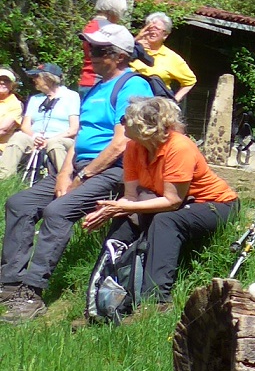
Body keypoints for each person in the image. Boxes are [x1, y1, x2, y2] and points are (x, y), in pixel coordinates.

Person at [0, 24, 153, 321]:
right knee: (19, 203)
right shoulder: (96, 88)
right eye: (90, 48)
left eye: (99, 50)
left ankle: (33, 293)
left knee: (57, 212)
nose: (91, 55)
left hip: (115, 172)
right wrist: (64, 175)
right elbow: (80, 137)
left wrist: (82, 178)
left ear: (120, 56)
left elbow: (121, 143)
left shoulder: (133, 86)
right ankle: (10, 284)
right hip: (81, 169)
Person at [80, 97, 239, 307]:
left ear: (143, 127)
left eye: (124, 119)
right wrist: (110, 210)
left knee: (166, 221)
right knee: (124, 219)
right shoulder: (133, 147)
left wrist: (124, 206)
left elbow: (172, 202)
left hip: (215, 204)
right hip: (177, 201)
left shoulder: (179, 147)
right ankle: (103, 292)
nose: (120, 123)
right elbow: (131, 197)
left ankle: (155, 300)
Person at [1, 64, 80, 180]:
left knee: (54, 144)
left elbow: (73, 129)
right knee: (18, 137)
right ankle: (4, 179)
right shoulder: (35, 99)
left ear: (48, 78)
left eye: (36, 77)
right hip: (35, 138)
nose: (34, 80)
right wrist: (35, 137)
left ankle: (67, 181)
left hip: (61, 138)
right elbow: (25, 126)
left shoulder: (71, 96)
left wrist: (49, 139)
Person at [131, 13, 198, 103]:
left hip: (153, 105)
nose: (152, 31)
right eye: (149, 28)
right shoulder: (133, 49)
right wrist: (135, 42)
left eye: (157, 29)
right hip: (126, 100)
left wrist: (173, 102)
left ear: (165, 35)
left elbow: (190, 81)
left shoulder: (171, 57)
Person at [78, 0, 132, 91]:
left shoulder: (91, 25)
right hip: (97, 78)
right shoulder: (105, 28)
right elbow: (121, 49)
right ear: (116, 10)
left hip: (87, 78)